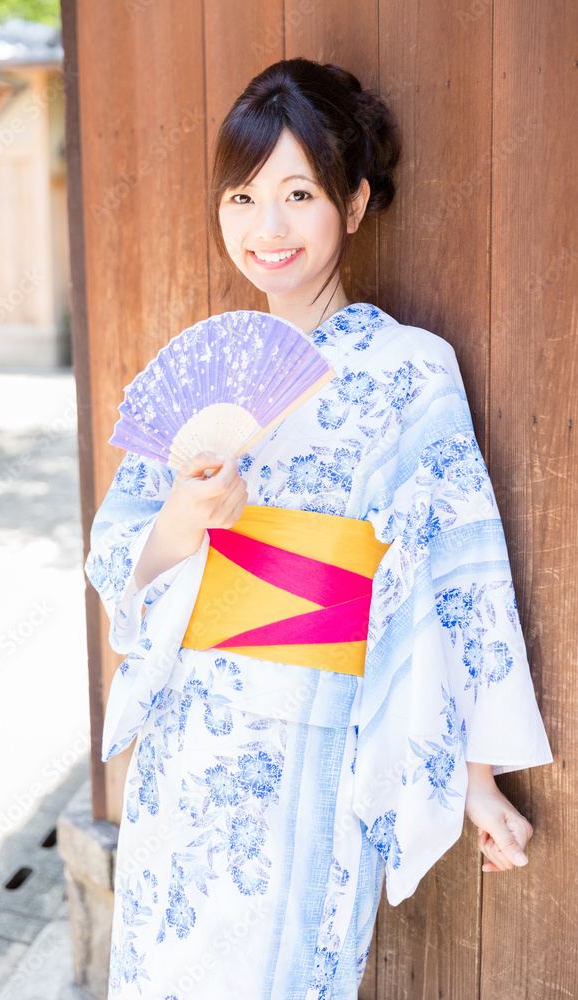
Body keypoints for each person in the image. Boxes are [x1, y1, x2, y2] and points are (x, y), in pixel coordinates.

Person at [85, 58, 553, 1000]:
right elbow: (119, 569)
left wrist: (472, 776)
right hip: (188, 743)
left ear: (354, 201)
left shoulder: (410, 371)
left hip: (316, 748)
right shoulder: (202, 378)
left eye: (299, 193)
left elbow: (456, 577)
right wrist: (185, 514)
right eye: (243, 196)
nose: (267, 228)